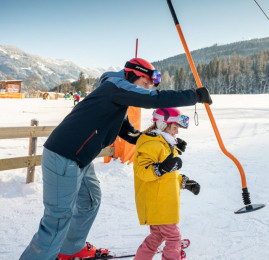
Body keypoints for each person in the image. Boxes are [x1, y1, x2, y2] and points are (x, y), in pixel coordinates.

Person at [20, 58, 212, 260]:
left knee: (91, 201)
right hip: (64, 156)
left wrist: (166, 142)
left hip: (81, 159)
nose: (146, 89)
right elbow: (153, 99)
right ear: (132, 75)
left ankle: (71, 249)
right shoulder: (115, 87)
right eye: (145, 83)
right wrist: (194, 96)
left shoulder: (117, 97)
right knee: (57, 220)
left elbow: (131, 134)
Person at [133, 108, 200, 260]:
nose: (177, 132)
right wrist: (161, 168)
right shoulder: (151, 144)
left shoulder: (164, 144)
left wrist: (185, 183)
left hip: (161, 203)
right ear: (163, 126)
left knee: (157, 236)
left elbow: (168, 176)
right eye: (174, 127)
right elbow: (142, 171)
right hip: (159, 204)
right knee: (173, 238)